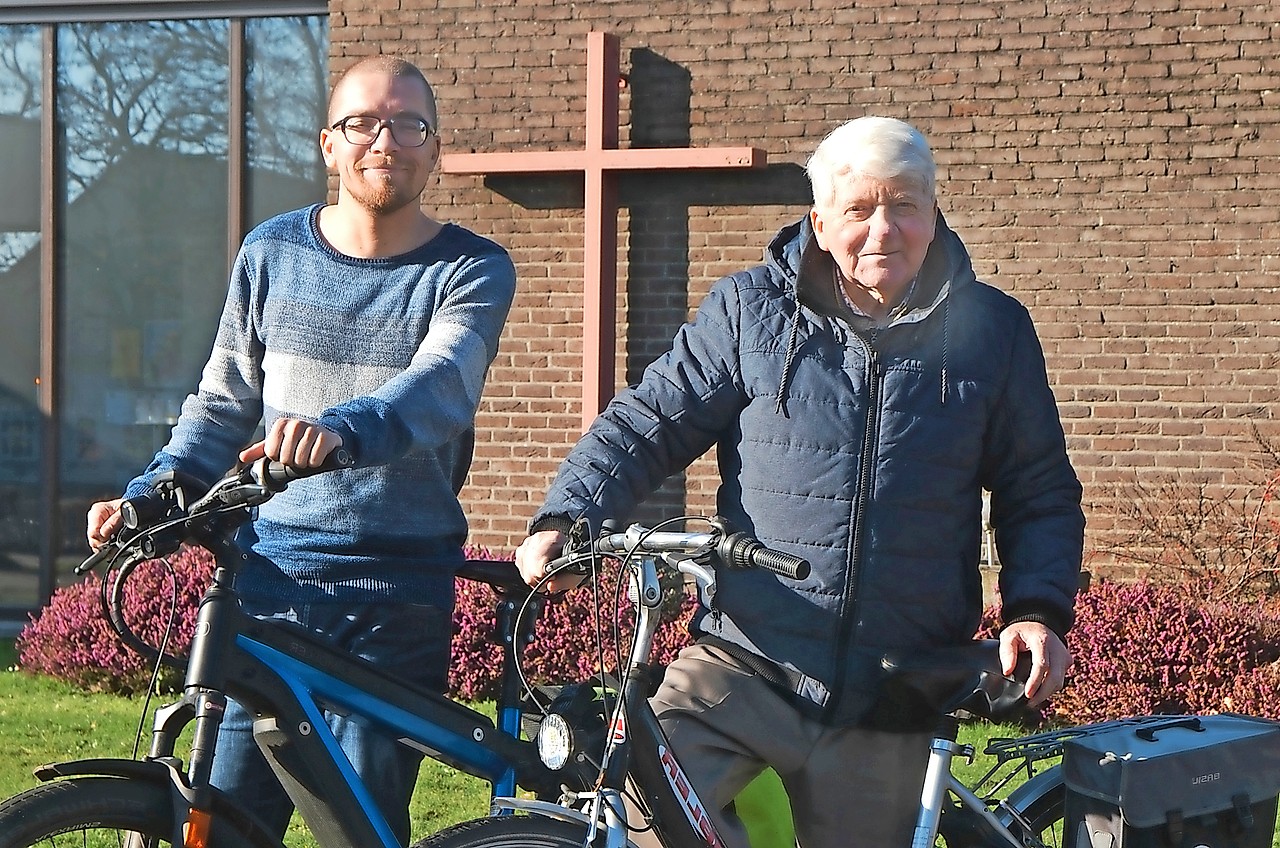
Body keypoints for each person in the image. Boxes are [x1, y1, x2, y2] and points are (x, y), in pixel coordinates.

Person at [515, 116, 1083, 848]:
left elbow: (1037, 489)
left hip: (891, 691)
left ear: (934, 211)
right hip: (748, 657)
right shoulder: (752, 311)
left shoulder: (993, 331)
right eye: (859, 209)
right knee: (643, 811)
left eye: (906, 204)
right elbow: (648, 421)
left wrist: (1037, 610)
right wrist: (568, 517)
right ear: (819, 221)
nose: (885, 228)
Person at [86, 56, 516, 844]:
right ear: (329, 144)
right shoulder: (272, 253)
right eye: (363, 123)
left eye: (408, 124)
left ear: (436, 147)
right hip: (270, 586)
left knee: (355, 831)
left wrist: (342, 431)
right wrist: (153, 494)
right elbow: (220, 406)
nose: (385, 140)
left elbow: (441, 384)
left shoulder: (472, 267)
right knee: (220, 825)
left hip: (397, 595)